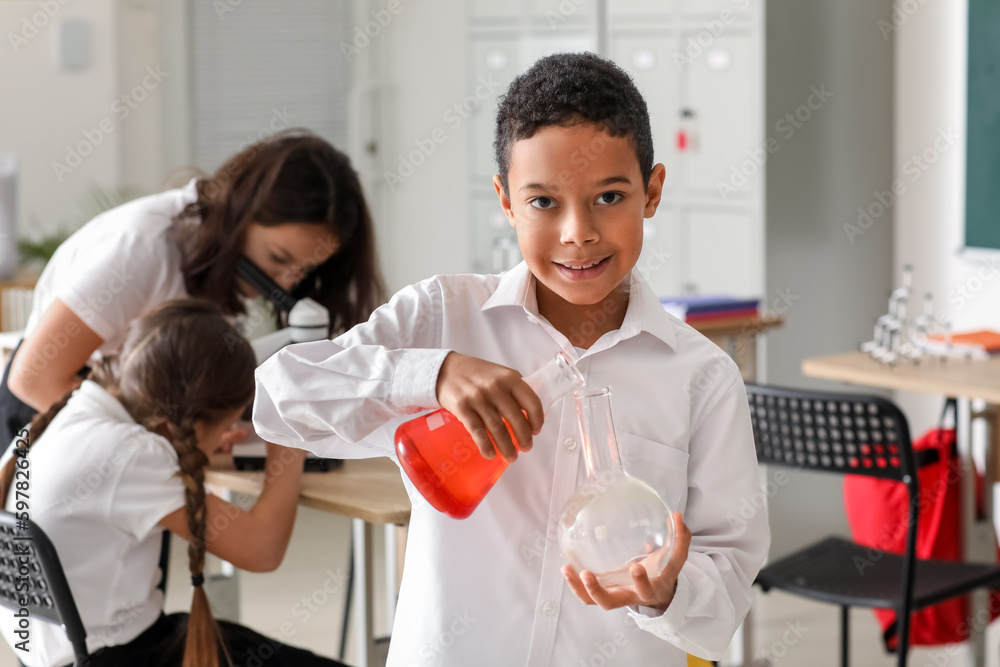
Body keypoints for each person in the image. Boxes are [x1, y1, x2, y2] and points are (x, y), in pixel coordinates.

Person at [253, 53, 770, 665]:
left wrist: (666, 595)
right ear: (505, 200)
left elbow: (730, 574)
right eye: (544, 202)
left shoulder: (701, 378)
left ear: (652, 192)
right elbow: (281, 401)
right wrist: (432, 372)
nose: (578, 232)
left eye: (609, 195)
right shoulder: (443, 316)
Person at [0, 300, 347, 667]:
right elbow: (262, 549)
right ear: (196, 424)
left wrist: (197, 443)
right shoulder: (132, 453)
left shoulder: (63, 420)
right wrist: (288, 443)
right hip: (123, 657)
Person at [0, 129, 385, 453]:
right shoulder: (142, 250)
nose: (284, 283)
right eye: (277, 258)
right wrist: (163, 442)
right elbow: (35, 379)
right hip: (45, 417)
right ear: (238, 213)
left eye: (303, 269)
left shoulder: (223, 269)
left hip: (119, 426)